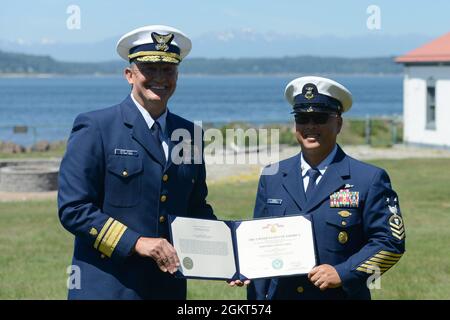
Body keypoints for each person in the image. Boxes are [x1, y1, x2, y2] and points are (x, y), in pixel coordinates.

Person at [58, 25, 216, 299]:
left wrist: (235, 256)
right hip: (108, 288)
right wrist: (137, 242)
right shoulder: (96, 127)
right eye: (149, 69)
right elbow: (74, 208)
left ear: (177, 75)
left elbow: (195, 207)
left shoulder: (190, 135)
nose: (160, 78)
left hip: (167, 289)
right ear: (129, 75)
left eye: (168, 70)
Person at [247, 76, 405, 300]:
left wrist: (343, 272)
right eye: (302, 118)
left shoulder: (369, 179)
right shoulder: (272, 176)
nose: (310, 126)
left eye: (320, 118)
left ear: (338, 123)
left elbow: (390, 243)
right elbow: (259, 243)